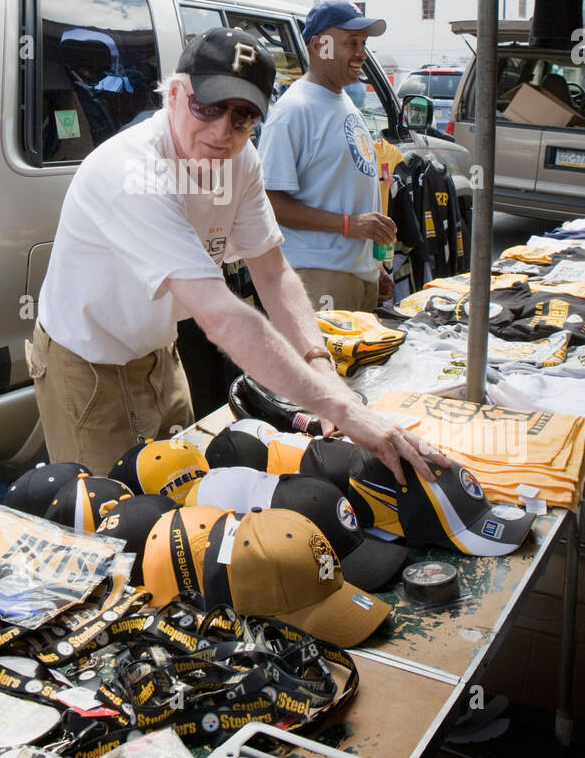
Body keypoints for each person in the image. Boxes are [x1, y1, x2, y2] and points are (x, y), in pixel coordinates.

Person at [28, 26, 447, 482]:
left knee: (176, 494)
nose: (222, 130)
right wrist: (342, 408)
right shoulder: (132, 172)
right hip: (88, 363)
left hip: (158, 354)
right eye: (207, 107)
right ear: (173, 93)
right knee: (109, 518)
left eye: (244, 116)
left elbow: (272, 271)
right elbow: (221, 316)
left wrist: (319, 364)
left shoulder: (241, 159)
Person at [256, 1, 396, 312]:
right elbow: (268, 202)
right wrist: (350, 225)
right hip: (318, 279)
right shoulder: (294, 110)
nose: (361, 53)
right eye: (352, 42)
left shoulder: (341, 100)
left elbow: (341, 192)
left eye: (364, 43)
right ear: (321, 45)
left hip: (355, 275)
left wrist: (372, 267)